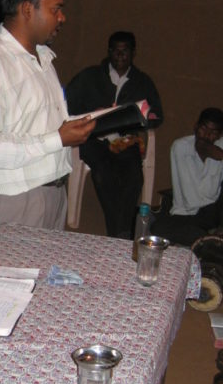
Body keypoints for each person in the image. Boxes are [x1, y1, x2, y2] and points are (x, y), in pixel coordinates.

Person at [0, 0, 95, 246]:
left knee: (45, 275)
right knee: (5, 275)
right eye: (56, 9)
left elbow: (35, 124)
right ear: (27, 9)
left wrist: (70, 128)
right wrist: (57, 139)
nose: (62, 17)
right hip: (12, 203)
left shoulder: (43, 58)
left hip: (52, 195)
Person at [65, 31, 163, 239]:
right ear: (109, 52)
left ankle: (119, 232)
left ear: (133, 53)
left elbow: (157, 115)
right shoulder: (91, 76)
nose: (120, 55)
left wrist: (136, 117)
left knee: (134, 176)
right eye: (115, 50)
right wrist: (92, 114)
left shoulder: (142, 81)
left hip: (124, 140)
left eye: (125, 51)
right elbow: (67, 104)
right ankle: (121, 233)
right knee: (103, 174)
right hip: (94, 138)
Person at [151, 107, 223, 247]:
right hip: (188, 212)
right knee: (159, 228)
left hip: (216, 210)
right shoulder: (181, 147)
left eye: (213, 133)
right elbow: (191, 200)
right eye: (203, 128)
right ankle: (213, 239)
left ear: (219, 136)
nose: (206, 136)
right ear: (196, 127)